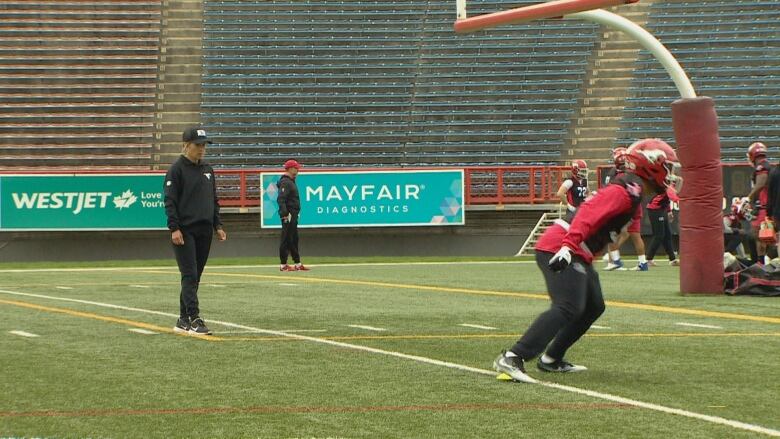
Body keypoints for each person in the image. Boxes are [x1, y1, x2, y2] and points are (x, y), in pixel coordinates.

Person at [493, 139, 679, 383]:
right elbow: (587, 213)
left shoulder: (633, 193)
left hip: (576, 249)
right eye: (668, 167)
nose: (670, 174)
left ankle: (551, 359)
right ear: (650, 165)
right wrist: (569, 247)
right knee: (568, 306)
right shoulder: (624, 191)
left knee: (593, 305)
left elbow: (612, 231)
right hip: (561, 245)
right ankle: (513, 356)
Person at [165, 127, 227, 335]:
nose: (201, 149)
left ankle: (182, 319)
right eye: (197, 145)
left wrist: (217, 225)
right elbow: (170, 202)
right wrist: (174, 228)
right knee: (189, 274)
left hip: (204, 230)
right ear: (185, 145)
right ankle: (194, 318)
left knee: (196, 276)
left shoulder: (208, 169)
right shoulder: (176, 170)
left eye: (204, 145)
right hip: (185, 230)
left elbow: (213, 199)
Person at [601, 147, 650, 271]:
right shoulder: (634, 174)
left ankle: (616, 261)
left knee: (611, 233)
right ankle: (643, 263)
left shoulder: (620, 177)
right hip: (635, 207)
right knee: (636, 236)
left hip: (625, 209)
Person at [278, 159, 309, 272]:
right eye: (296, 168)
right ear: (290, 168)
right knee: (286, 239)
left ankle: (297, 263)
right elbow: (281, 199)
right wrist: (285, 214)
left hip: (293, 214)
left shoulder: (290, 181)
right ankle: (283, 264)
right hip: (289, 215)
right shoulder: (286, 182)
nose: (298, 170)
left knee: (294, 239)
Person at [746, 142, 771, 263]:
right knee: (757, 236)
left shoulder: (761, 167)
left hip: (766, 208)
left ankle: (761, 264)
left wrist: (748, 198)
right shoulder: (766, 165)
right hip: (766, 206)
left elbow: (761, 183)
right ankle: (761, 263)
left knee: (759, 235)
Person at [644, 184, 680, 266]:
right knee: (659, 235)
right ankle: (649, 259)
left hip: (661, 209)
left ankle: (672, 259)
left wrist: (669, 211)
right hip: (655, 210)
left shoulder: (669, 187)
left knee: (667, 235)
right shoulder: (669, 187)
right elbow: (674, 198)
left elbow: (665, 200)